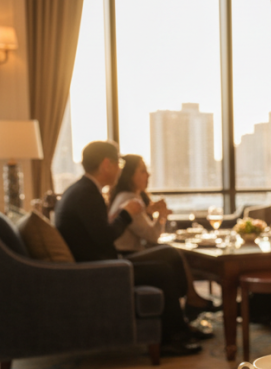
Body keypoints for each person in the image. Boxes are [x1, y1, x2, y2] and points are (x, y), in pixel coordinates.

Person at [54, 141, 201, 356]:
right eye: (118, 164)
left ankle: (182, 322)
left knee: (168, 254)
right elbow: (105, 237)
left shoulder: (82, 190)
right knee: (163, 268)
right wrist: (126, 213)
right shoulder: (86, 194)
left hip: (102, 262)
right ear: (106, 164)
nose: (120, 169)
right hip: (100, 270)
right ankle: (173, 336)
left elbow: (99, 235)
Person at [108, 154, 215, 316]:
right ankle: (191, 298)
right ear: (130, 175)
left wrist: (150, 211)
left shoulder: (128, 197)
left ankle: (191, 298)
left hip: (128, 253)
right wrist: (161, 216)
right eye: (142, 171)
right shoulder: (130, 199)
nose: (148, 175)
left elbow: (138, 227)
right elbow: (152, 235)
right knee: (171, 253)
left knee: (172, 253)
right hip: (126, 255)